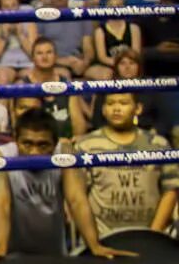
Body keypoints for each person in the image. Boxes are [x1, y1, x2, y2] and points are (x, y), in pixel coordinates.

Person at [0, 108, 135, 260]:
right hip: (3, 253)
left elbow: (76, 200)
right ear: (16, 140)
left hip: (50, 256)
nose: (34, 153)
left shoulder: (64, 153)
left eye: (43, 145)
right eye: (27, 144)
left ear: (55, 144)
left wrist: (94, 245)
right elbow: (1, 202)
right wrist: (1, 248)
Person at [69, 92, 179, 238]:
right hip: (102, 237)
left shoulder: (158, 144)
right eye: (110, 103)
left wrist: (153, 234)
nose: (116, 108)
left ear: (138, 109)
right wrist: (93, 240)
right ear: (103, 109)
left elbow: (170, 190)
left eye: (123, 103)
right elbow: (78, 196)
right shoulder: (86, 145)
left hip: (151, 236)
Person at [0, 0, 37, 83]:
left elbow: (34, 54)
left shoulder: (29, 24)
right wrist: (4, 36)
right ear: (1, 9)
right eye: (6, 7)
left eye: (14, 5)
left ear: (19, 7)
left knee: (31, 79)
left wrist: (21, 35)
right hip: (5, 65)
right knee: (3, 78)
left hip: (27, 64)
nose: (11, 10)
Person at [94, 0, 142, 75]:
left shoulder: (134, 28)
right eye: (111, 6)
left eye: (118, 6)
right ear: (106, 8)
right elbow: (102, 57)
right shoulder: (100, 31)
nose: (115, 9)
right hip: (110, 66)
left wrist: (126, 65)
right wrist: (119, 65)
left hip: (130, 65)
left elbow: (136, 54)